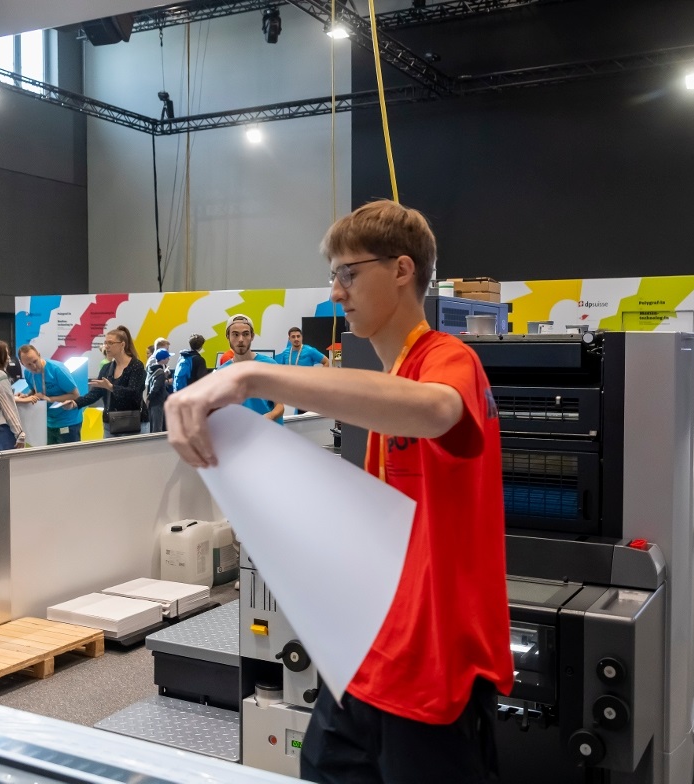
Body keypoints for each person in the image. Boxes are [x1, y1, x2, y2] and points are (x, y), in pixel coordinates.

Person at [166, 200, 512, 784]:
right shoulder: (390, 382)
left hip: (434, 672)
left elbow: (436, 411)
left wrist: (250, 375)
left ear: (402, 269)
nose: (335, 292)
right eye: (333, 275)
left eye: (348, 273)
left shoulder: (447, 360)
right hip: (367, 655)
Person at [65, 326, 146, 438]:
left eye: (111, 343)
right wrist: (75, 403)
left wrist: (112, 387)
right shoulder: (106, 368)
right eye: (105, 343)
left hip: (134, 422)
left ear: (122, 345)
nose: (106, 346)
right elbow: (95, 393)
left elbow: (134, 393)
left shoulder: (136, 366)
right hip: (111, 423)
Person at [219, 315, 284, 423]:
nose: (241, 339)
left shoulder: (269, 365)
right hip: (240, 431)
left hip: (267, 430)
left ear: (252, 336)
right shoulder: (222, 373)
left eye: (245, 334)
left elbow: (280, 405)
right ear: (228, 336)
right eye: (235, 334)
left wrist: (270, 416)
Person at [15, 345, 84, 444]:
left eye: (35, 361)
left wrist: (50, 399)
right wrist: (26, 396)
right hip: (48, 421)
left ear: (39, 355)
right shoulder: (27, 373)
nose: (34, 367)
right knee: (50, 453)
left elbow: (75, 395)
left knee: (68, 453)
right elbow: (35, 391)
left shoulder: (57, 369)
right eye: (28, 364)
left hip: (68, 421)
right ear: (22, 363)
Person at [145, 348, 172, 433]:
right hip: (158, 402)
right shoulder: (160, 372)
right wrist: (149, 398)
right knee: (157, 428)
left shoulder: (153, 369)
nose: (169, 359)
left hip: (154, 402)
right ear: (163, 360)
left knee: (154, 425)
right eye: (167, 358)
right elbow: (155, 387)